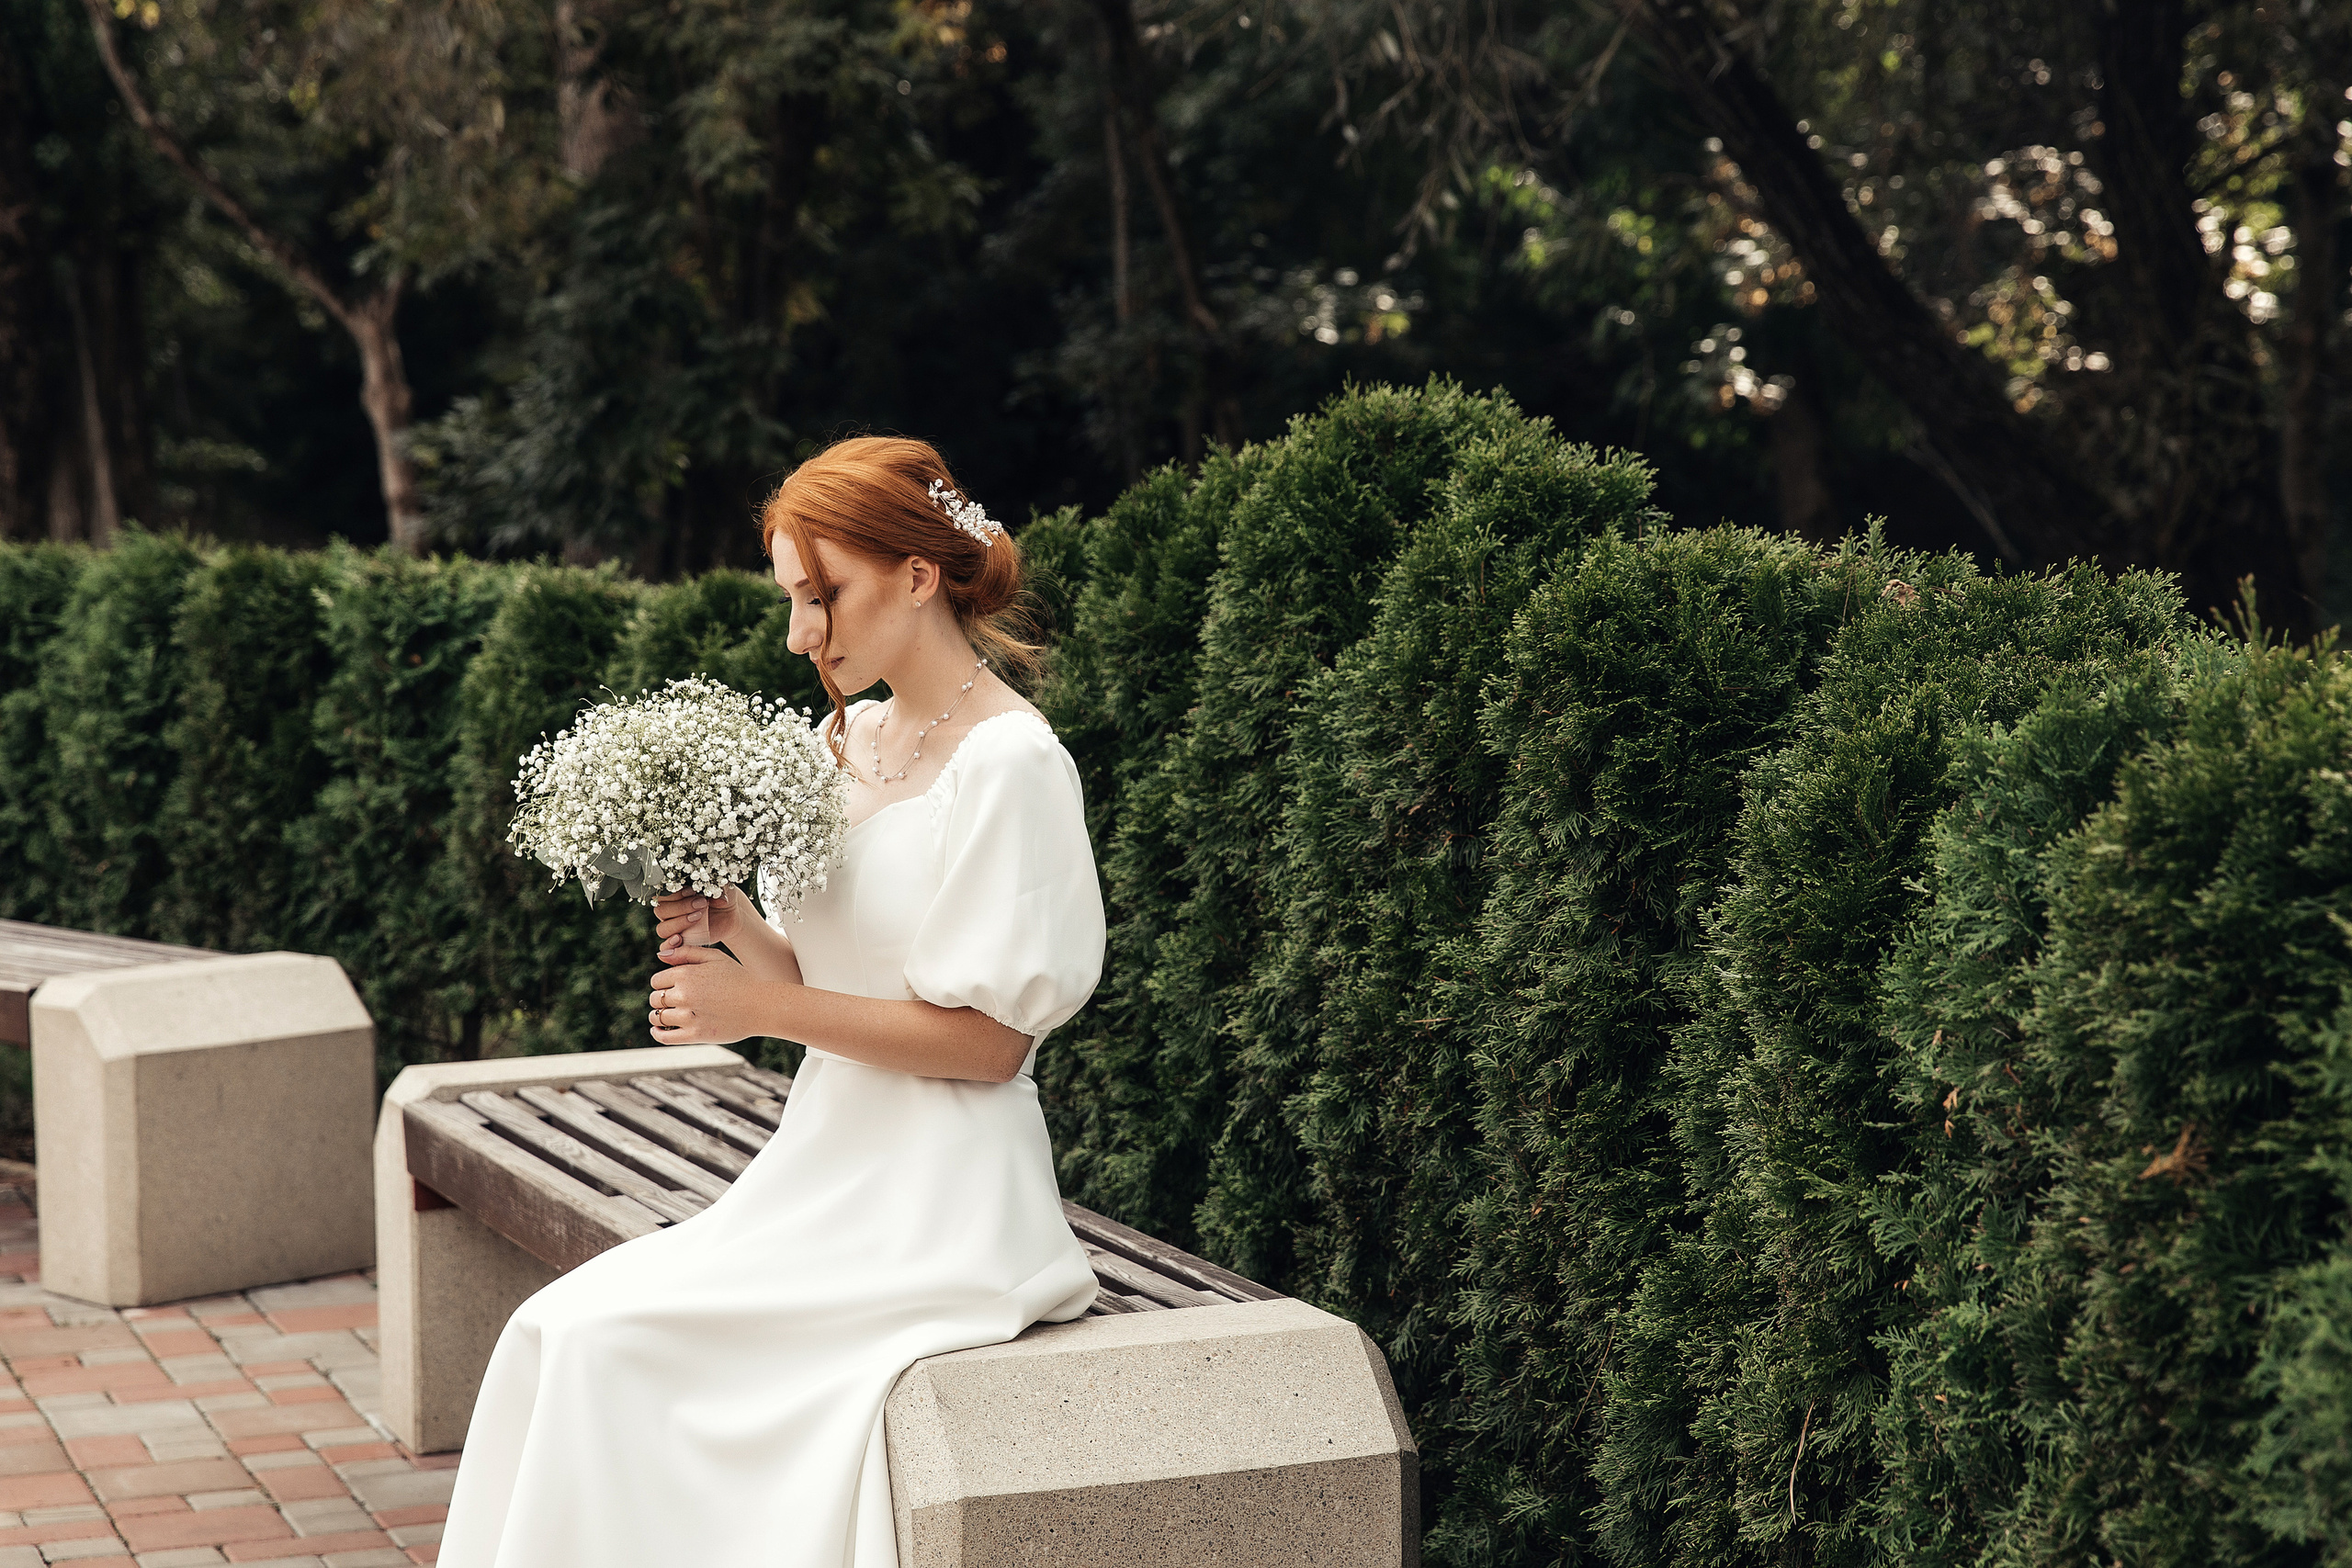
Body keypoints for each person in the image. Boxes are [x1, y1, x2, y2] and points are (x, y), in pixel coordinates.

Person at [437, 436, 1105, 1567]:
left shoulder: (1012, 764)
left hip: (943, 1204)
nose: (800, 634)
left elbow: (991, 1046)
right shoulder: (841, 739)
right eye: (793, 598)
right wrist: (737, 925)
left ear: (917, 575)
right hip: (820, 1171)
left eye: (820, 594)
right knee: (554, 1330)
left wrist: (753, 1010)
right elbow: (832, 979)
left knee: (609, 1349)